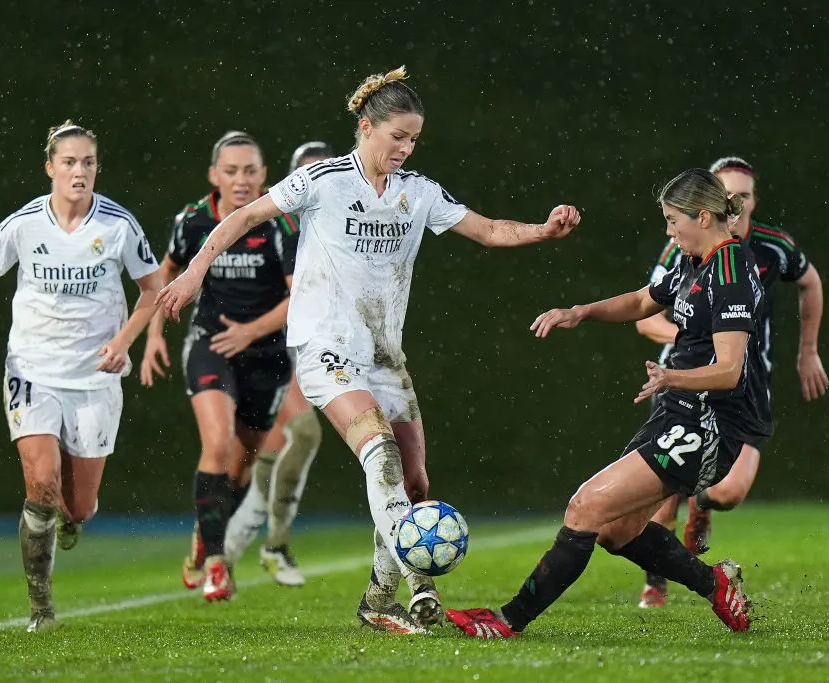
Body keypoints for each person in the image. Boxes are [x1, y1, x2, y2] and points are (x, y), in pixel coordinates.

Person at [156, 66, 581, 633]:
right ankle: (419, 584)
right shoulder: (323, 181)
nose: (405, 148)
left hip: (383, 356)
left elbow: (486, 229)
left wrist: (543, 231)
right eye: (397, 137)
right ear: (366, 127)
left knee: (415, 482)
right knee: (378, 452)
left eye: (413, 140)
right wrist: (192, 274)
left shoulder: (418, 193)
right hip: (324, 350)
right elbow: (247, 215)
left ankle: (378, 601)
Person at [445, 168, 768, 639]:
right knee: (617, 530)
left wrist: (671, 375)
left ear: (703, 216)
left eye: (673, 219)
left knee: (585, 509)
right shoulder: (694, 261)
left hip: (711, 426)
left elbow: (731, 369)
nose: (668, 229)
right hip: (679, 413)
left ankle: (507, 621)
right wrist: (581, 312)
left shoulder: (732, 271)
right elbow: (642, 301)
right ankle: (714, 582)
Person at [0, 120, 162, 632]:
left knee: (81, 505)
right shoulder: (24, 224)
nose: (79, 171)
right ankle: (41, 608)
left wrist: (122, 343)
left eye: (88, 163)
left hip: (94, 376)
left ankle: (71, 522)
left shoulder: (118, 225)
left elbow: (153, 289)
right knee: (41, 481)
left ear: (97, 168)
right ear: (50, 168)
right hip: (33, 369)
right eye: (69, 162)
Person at [635, 156, 828, 608]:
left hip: (742, 385)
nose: (737, 202)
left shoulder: (770, 247)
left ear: (754, 201)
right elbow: (646, 318)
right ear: (710, 203)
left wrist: (808, 350)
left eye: (746, 195)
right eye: (729, 194)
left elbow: (811, 282)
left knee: (727, 493)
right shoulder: (682, 247)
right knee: (665, 493)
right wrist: (694, 339)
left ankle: (702, 507)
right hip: (685, 382)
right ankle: (655, 585)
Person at [139, 131, 300, 602]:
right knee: (215, 442)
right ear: (214, 175)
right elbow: (165, 271)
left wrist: (251, 332)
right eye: (231, 171)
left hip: (268, 353)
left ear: (265, 174)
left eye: (250, 170)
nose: (241, 180)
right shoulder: (192, 221)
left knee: (241, 463)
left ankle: (205, 531)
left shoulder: (280, 223)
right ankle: (215, 562)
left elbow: (301, 296)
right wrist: (152, 334)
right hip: (210, 344)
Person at [221, 141, 335, 588]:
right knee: (293, 439)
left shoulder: (345, 224)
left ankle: (225, 551)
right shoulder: (277, 224)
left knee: (269, 458)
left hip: (311, 343)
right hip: (272, 349)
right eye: (307, 174)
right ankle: (271, 545)